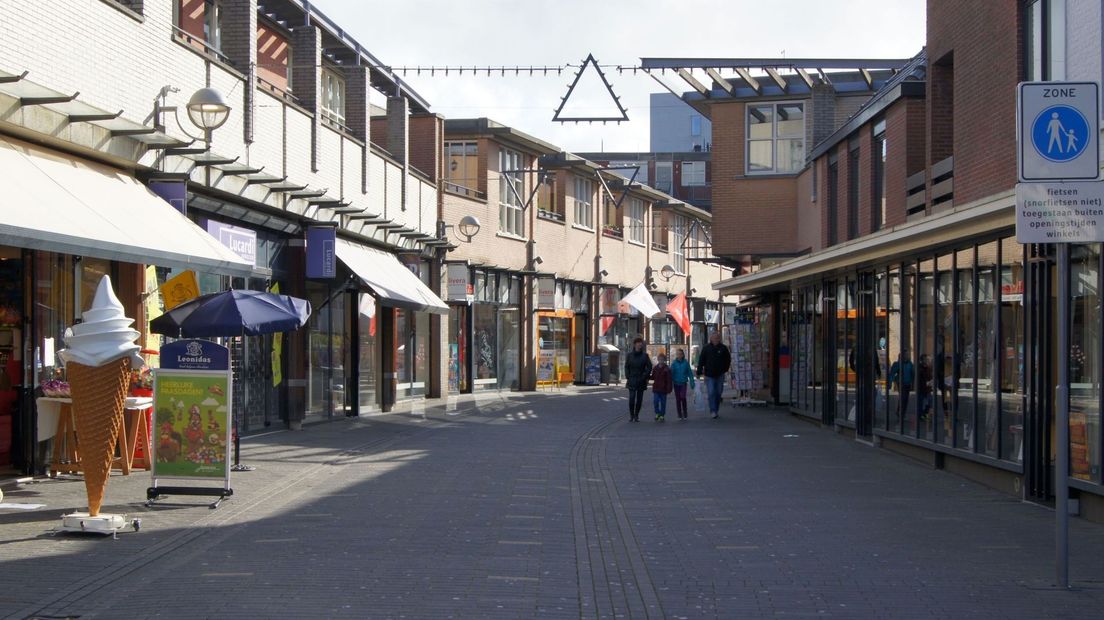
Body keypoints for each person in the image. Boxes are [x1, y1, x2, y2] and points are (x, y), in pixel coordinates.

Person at [696, 330, 731, 419]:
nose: (716, 339)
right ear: (711, 339)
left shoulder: (723, 348)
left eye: (718, 338)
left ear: (719, 339)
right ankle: (713, 410)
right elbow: (701, 360)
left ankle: (716, 409)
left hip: (720, 374)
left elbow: (728, 359)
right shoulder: (706, 348)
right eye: (714, 338)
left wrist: (725, 369)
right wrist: (699, 371)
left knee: (718, 393)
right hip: (709, 375)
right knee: (711, 392)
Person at [623, 337, 652, 422]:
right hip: (632, 378)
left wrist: (645, 375)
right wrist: (627, 375)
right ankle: (631, 415)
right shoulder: (629, 355)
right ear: (635, 344)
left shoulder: (645, 356)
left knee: (639, 399)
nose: (640, 344)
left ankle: (636, 415)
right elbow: (626, 366)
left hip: (641, 379)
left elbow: (649, 367)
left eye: (641, 343)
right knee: (632, 398)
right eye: (638, 343)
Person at [887, 349, 914, 421]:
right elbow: (892, 374)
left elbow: (913, 373)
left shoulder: (910, 364)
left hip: (908, 383)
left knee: (905, 399)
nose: (908, 356)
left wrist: (913, 382)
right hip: (901, 383)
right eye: (906, 354)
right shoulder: (897, 364)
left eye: (908, 355)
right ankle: (901, 413)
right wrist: (890, 383)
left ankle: (901, 412)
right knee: (903, 398)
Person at [670, 348, 695, 420]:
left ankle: (685, 412)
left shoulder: (686, 363)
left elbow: (690, 373)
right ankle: (679, 414)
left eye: (680, 354)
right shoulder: (674, 363)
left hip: (683, 383)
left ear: (683, 355)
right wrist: (670, 383)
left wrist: (692, 382)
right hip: (676, 383)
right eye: (677, 354)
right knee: (678, 399)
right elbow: (671, 374)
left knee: (683, 397)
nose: (679, 355)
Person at [650, 353, 673, 422]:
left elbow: (669, 380)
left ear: (664, 360)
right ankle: (657, 413)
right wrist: (647, 376)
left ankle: (662, 415)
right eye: (660, 359)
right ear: (658, 360)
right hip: (656, 388)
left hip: (663, 389)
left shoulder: (667, 369)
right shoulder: (655, 368)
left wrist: (669, 388)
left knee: (663, 403)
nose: (661, 361)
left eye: (662, 359)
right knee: (655, 401)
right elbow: (653, 377)